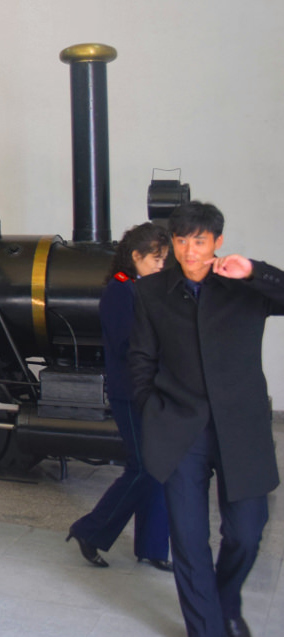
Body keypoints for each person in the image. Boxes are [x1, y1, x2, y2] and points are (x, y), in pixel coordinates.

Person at [128, 202, 284, 637]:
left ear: (217, 241)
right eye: (180, 241)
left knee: (247, 533)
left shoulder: (244, 287)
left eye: (199, 240)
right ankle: (208, 629)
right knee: (190, 542)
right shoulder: (151, 291)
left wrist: (254, 270)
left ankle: (226, 601)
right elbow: (140, 357)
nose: (189, 250)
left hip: (241, 427)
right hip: (180, 429)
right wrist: (149, 408)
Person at [67, 222, 172, 571]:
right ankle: (90, 530)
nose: (162, 264)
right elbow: (128, 345)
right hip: (131, 393)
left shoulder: (149, 288)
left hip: (155, 391)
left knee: (159, 468)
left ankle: (154, 547)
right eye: (156, 258)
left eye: (164, 258)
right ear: (135, 256)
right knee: (143, 468)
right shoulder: (119, 291)